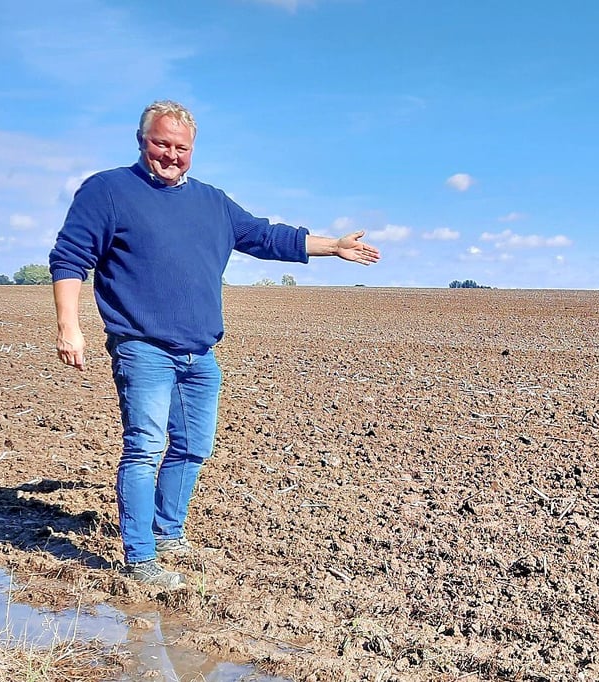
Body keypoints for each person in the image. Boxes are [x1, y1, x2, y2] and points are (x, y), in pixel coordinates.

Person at [49, 100, 380, 589]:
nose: (171, 155)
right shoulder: (109, 191)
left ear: (193, 150)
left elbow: (265, 236)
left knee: (193, 447)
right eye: (161, 143)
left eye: (181, 147)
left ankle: (168, 533)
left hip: (199, 352)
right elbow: (70, 257)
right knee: (144, 448)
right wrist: (68, 325)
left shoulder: (212, 202)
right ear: (142, 140)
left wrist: (332, 246)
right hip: (143, 347)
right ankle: (140, 561)